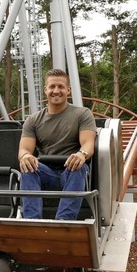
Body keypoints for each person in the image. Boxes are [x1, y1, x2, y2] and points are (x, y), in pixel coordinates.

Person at [17, 69, 96, 220]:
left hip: (71, 171)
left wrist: (81, 154)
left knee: (77, 166)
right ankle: (31, 222)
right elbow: (24, 149)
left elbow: (88, 144)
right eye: (52, 87)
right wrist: (26, 156)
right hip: (47, 172)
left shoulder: (82, 114)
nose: (56, 91)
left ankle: (64, 222)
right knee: (28, 166)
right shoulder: (33, 120)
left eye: (60, 87)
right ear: (46, 90)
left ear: (68, 90)